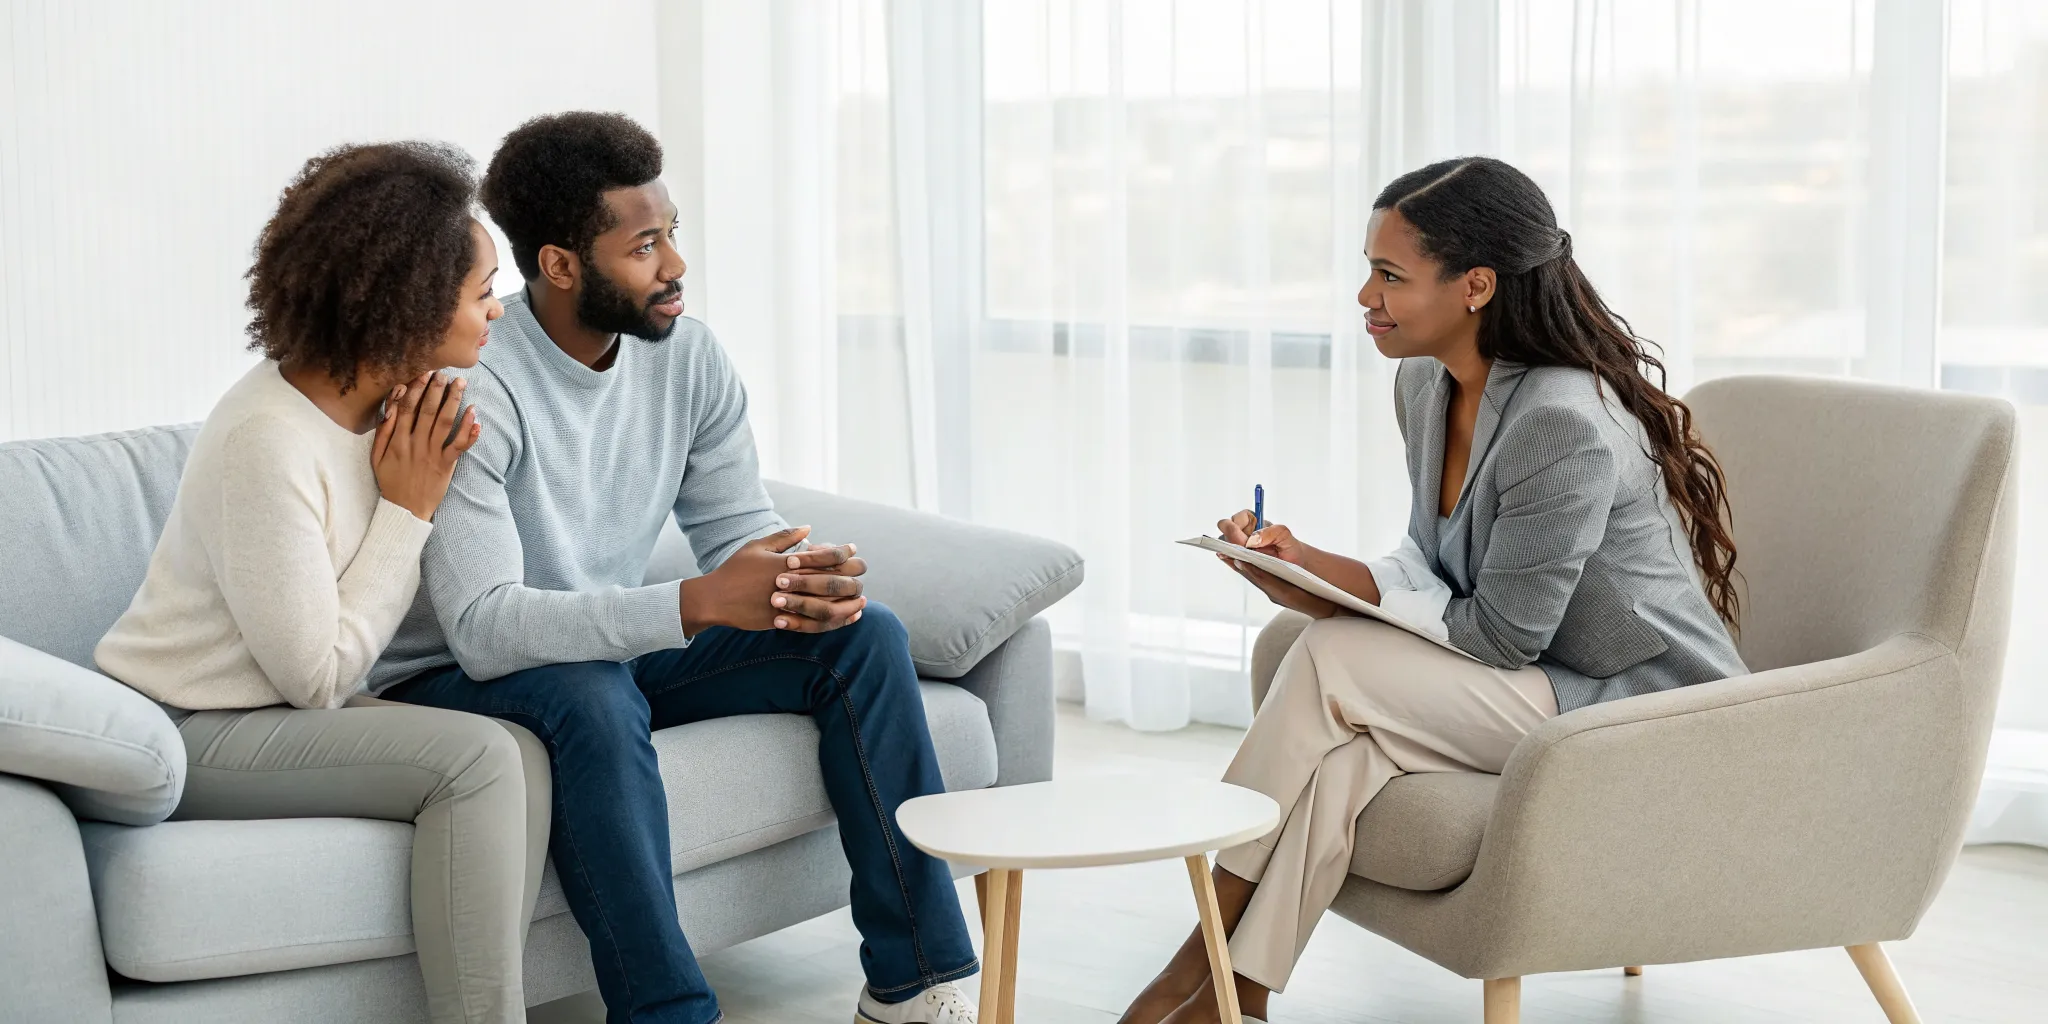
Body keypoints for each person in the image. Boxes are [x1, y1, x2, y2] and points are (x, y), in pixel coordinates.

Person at [368, 111, 980, 1024]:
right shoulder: (473, 384)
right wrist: (693, 604)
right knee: (591, 694)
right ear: (561, 265)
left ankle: (917, 985)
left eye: (673, 234)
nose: (675, 267)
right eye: (644, 245)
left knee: (863, 635)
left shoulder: (688, 357)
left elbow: (739, 528)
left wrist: (798, 578)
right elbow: (487, 626)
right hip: (454, 675)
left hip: (604, 649)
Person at [1120, 156, 1750, 1024]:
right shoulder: (1426, 384)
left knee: (1334, 659)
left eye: (1389, 275)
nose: (1363, 296)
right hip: (1534, 677)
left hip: (1634, 707)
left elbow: (1499, 639)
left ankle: (1186, 970)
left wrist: (1336, 610)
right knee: (1348, 758)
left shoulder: (1560, 420)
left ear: (1476, 286)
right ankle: (1238, 1000)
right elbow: (1429, 567)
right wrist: (1300, 566)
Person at [94, 142, 550, 1024]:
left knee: (521, 750)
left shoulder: (393, 411)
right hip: (194, 728)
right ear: (408, 304)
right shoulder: (267, 439)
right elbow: (318, 678)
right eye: (481, 290)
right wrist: (409, 511)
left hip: (274, 714)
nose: (499, 309)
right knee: (481, 757)